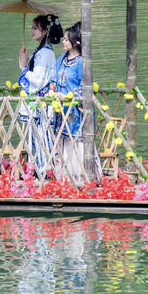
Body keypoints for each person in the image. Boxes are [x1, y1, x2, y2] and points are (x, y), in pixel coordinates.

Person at [18, 14, 63, 176]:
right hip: (42, 104)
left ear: (45, 31)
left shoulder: (44, 53)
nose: (32, 31)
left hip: (41, 104)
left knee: (41, 138)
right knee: (40, 137)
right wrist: (27, 59)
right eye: (32, 27)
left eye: (35, 28)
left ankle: (42, 171)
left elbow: (37, 80)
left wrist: (24, 68)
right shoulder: (43, 52)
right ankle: (40, 170)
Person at [53, 22, 85, 181]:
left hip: (74, 110)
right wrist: (53, 91)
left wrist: (68, 96)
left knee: (75, 142)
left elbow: (83, 86)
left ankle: (78, 175)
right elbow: (53, 78)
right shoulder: (61, 59)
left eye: (66, 39)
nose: (63, 42)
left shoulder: (81, 62)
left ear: (75, 43)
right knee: (61, 140)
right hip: (60, 109)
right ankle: (62, 175)